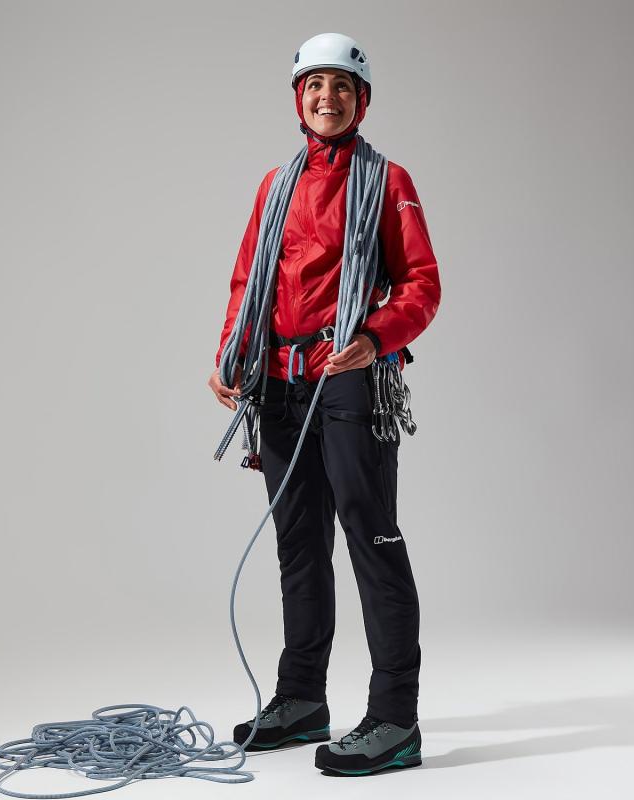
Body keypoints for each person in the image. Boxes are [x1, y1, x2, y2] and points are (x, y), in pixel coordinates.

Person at [208, 32, 441, 776]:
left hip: (348, 374)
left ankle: (395, 718)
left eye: (341, 86)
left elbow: (422, 283)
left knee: (371, 534)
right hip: (278, 379)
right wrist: (231, 352)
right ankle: (303, 698)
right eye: (314, 85)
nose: (326, 97)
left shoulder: (389, 180)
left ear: (361, 100)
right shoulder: (275, 186)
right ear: (298, 98)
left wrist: (375, 337)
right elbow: (248, 279)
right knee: (299, 543)